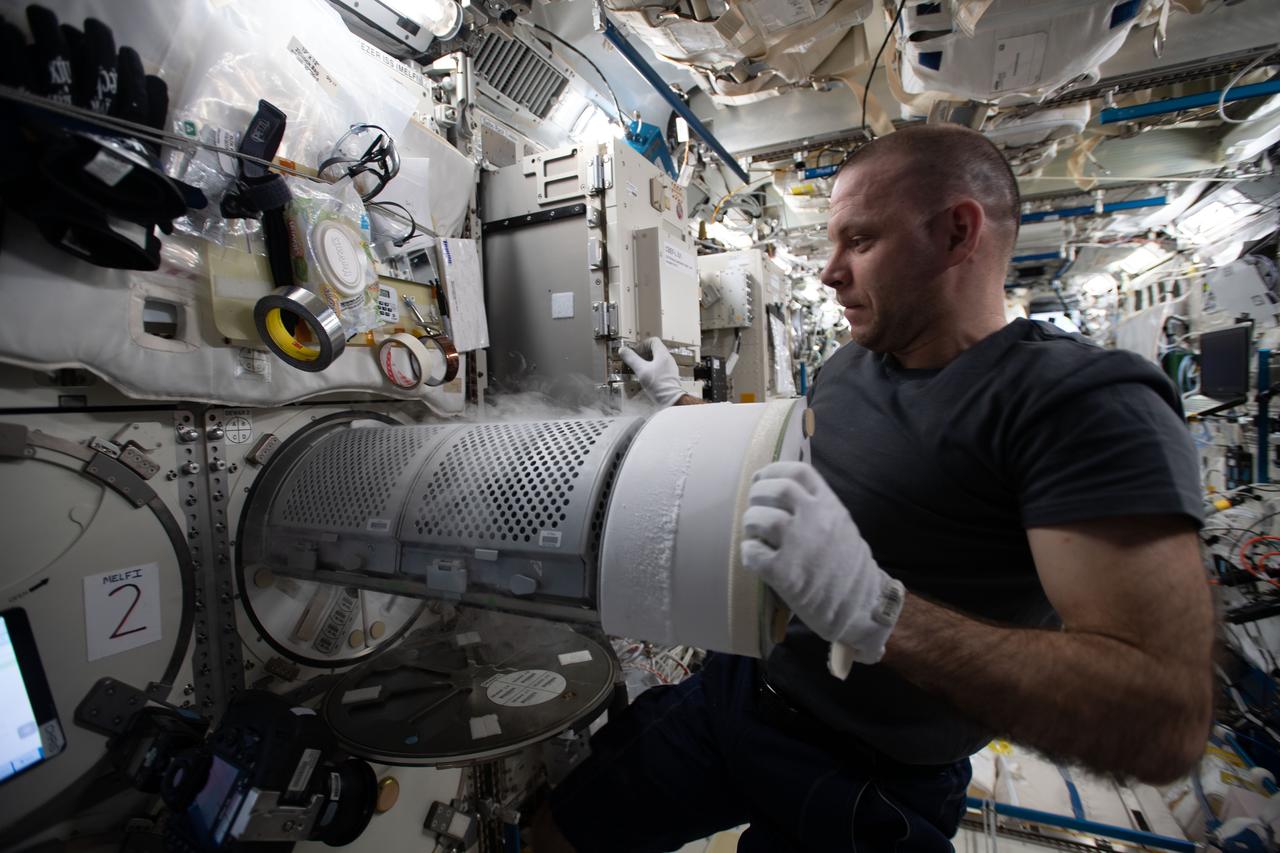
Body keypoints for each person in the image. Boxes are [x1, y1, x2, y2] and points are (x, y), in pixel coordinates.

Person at [533, 124, 1214, 852]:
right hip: (739, 695)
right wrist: (677, 401)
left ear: (958, 233)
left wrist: (877, 613)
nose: (829, 272)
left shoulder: (1078, 402)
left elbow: (1161, 716)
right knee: (558, 833)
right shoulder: (855, 361)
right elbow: (795, 453)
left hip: (868, 776)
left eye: (859, 242)